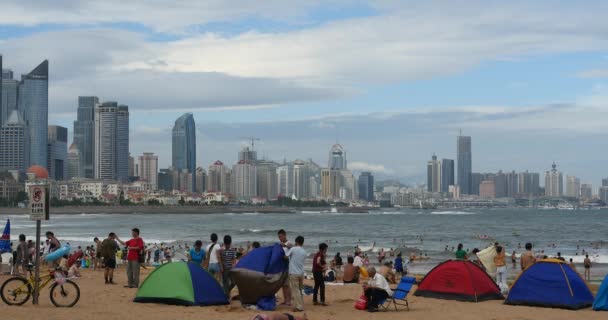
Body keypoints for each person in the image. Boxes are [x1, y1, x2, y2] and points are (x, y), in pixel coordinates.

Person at [286, 236, 306, 312]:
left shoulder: (293, 249)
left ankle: (299, 307)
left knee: (295, 290)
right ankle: (300, 304)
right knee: (300, 290)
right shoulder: (304, 251)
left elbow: (286, 256)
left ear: (296, 242)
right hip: (301, 273)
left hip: (293, 272)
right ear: (302, 243)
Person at [278, 229, 293, 306]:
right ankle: (285, 300)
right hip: (282, 267)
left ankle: (289, 301)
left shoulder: (288, 243)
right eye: (279, 237)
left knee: (287, 285)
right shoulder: (281, 244)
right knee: (283, 285)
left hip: (287, 266)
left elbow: (291, 247)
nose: (280, 238)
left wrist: (284, 245)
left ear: (284, 235)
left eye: (281, 236)